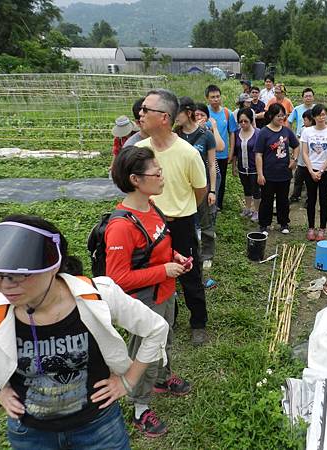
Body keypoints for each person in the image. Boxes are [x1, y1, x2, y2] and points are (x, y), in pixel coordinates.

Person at [0, 215, 169, 449]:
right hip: (30, 433)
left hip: (99, 427)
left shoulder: (97, 295)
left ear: (52, 266)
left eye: (17, 274)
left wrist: (128, 381)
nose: (5, 285)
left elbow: (156, 328)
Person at [106, 146, 191, 437]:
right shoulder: (120, 226)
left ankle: (163, 378)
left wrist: (174, 257)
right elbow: (117, 278)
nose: (162, 177)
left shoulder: (151, 207)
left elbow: (157, 246)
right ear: (135, 180)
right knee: (145, 350)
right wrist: (163, 271)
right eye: (156, 173)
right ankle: (140, 406)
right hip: (143, 301)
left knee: (164, 338)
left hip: (164, 293)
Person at [136, 89, 209, 346]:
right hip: (149, 227)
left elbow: (200, 190)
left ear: (164, 117)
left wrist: (181, 210)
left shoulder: (188, 153)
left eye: (146, 110)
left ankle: (198, 322)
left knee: (189, 274)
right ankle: (167, 319)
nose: (140, 114)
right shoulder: (139, 151)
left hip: (182, 224)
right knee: (156, 274)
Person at [175, 97, 219, 270]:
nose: (175, 116)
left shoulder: (206, 135)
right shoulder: (175, 134)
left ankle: (207, 254)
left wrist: (212, 190)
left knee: (206, 221)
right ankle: (186, 252)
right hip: (180, 187)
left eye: (177, 112)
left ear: (188, 112)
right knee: (183, 222)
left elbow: (212, 166)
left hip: (201, 186)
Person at [255, 103, 300, 234]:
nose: (281, 118)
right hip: (268, 173)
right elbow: (258, 154)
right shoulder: (264, 132)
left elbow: (296, 146)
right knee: (266, 200)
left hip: (284, 173)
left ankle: (284, 223)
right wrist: (260, 174)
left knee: (283, 199)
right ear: (271, 116)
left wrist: (294, 160)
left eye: (283, 115)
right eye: (278, 116)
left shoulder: (286, 131)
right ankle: (264, 224)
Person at [301, 104, 327, 241]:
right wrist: (311, 171)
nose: (321, 117)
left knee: (323, 200)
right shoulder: (307, 131)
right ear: (314, 117)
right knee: (311, 199)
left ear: (326, 115)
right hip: (310, 170)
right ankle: (311, 227)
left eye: (323, 114)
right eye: (318, 115)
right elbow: (304, 153)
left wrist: (321, 170)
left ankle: (322, 229)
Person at [205, 84, 237, 211]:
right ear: (207, 98)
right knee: (207, 178)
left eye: (218, 96)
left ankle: (218, 204)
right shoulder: (204, 113)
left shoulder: (227, 113)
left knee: (221, 179)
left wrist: (231, 151)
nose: (216, 99)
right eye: (212, 97)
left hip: (222, 154)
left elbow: (232, 133)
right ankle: (207, 201)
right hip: (207, 154)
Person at [230, 107, 261, 222]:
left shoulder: (258, 133)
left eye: (246, 121)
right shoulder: (237, 133)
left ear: (251, 120)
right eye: (241, 121)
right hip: (242, 168)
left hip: (255, 169)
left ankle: (257, 211)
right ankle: (248, 208)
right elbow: (235, 152)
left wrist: (261, 171)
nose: (243, 124)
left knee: (256, 190)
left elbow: (261, 153)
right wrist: (234, 167)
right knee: (246, 188)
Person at [290, 109, 314, 203]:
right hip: (301, 161)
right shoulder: (304, 129)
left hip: (309, 162)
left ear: (311, 120)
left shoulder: (313, 132)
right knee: (298, 179)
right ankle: (296, 195)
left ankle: (309, 199)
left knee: (309, 182)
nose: (303, 122)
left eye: (305, 120)